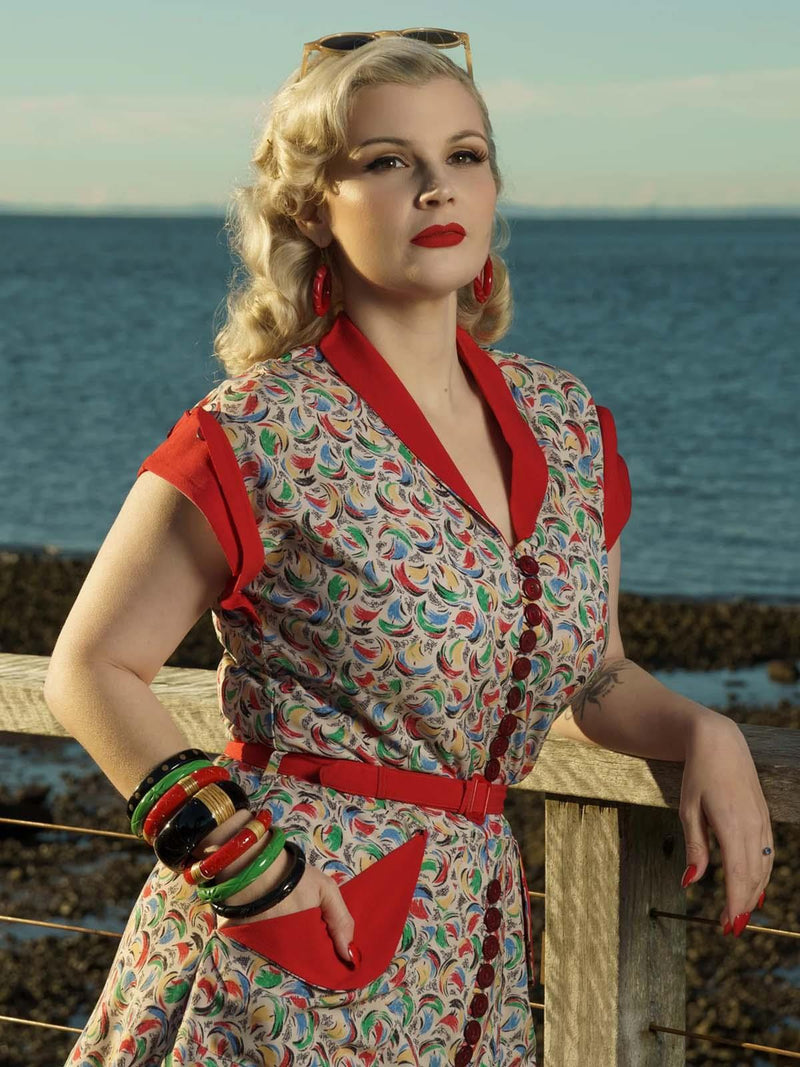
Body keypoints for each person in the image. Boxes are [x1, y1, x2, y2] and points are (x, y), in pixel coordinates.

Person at [45, 28, 773, 1067]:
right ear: (313, 207)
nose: (437, 187)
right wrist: (243, 864)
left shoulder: (568, 424)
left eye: (463, 155)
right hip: (291, 931)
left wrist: (706, 729)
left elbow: (596, 673)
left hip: (472, 950)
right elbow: (89, 666)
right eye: (388, 160)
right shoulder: (258, 431)